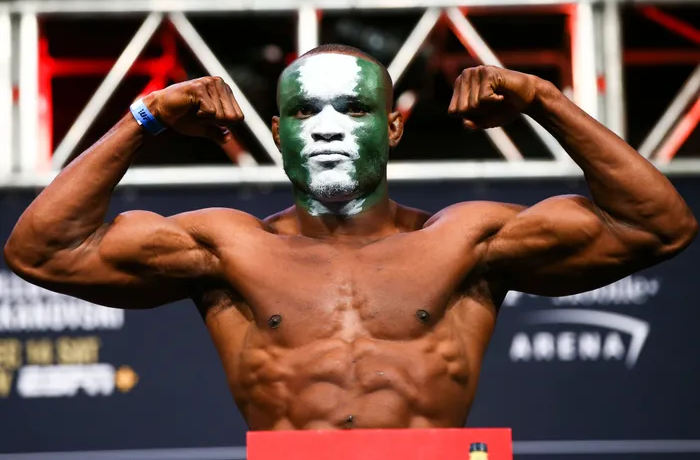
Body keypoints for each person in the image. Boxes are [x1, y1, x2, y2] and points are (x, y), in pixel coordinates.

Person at [4, 44, 697, 430]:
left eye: (356, 108)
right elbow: (43, 250)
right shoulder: (227, 248)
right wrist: (145, 116)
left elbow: (658, 224)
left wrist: (545, 99)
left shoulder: (468, 240)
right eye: (306, 111)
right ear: (278, 133)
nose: (330, 128)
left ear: (392, 128)